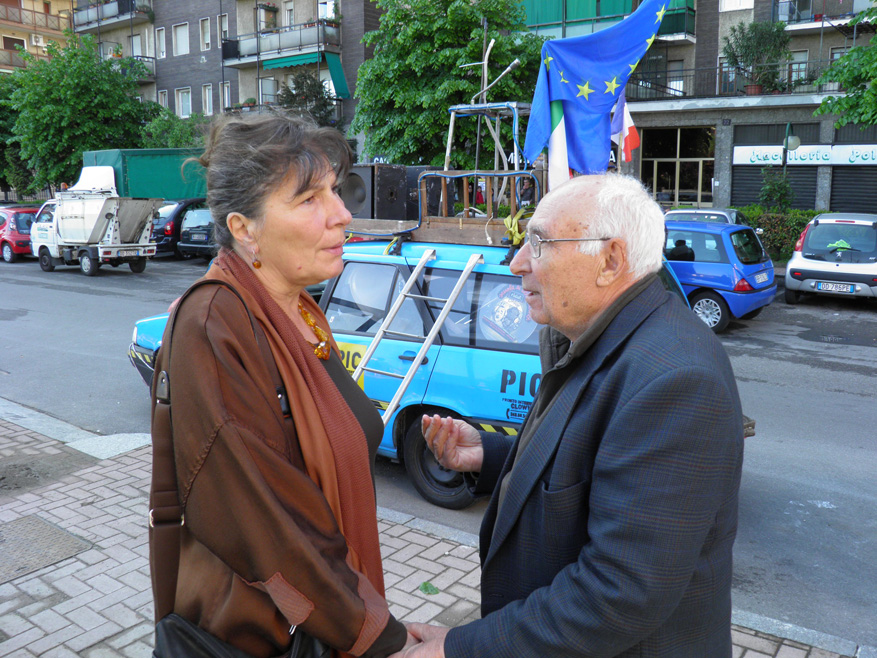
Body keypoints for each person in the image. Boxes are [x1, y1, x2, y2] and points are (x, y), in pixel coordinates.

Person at [396, 174, 744, 658]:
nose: (517, 262)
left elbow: (617, 594)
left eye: (539, 243)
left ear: (611, 260)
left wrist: (460, 649)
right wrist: (490, 456)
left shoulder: (675, 380)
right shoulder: (599, 336)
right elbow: (589, 463)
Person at [148, 113, 411, 658]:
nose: (342, 214)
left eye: (334, 191)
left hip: (332, 613)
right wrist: (382, 639)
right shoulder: (214, 324)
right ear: (245, 229)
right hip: (272, 636)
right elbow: (268, 521)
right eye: (309, 199)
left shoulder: (303, 312)